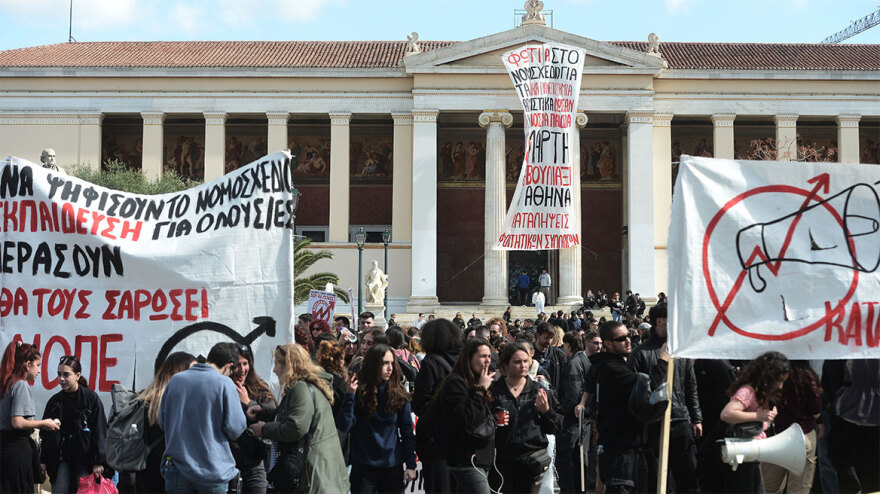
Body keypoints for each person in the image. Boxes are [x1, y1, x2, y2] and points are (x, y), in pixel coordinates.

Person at [250, 344, 349, 493]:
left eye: (277, 364)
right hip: (321, 473)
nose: (275, 370)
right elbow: (294, 415)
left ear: (289, 366)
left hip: (314, 475)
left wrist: (264, 429)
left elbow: (296, 427)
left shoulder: (301, 388)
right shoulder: (308, 385)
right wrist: (263, 412)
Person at [627, 304, 702, 494]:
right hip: (654, 426)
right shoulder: (640, 353)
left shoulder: (681, 351)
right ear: (659, 321)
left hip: (680, 421)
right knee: (657, 479)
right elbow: (638, 393)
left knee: (688, 477)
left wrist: (696, 418)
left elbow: (690, 386)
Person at [159, 342, 247, 494]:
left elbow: (162, 422)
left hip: (177, 470)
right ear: (228, 366)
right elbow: (236, 428)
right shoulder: (224, 383)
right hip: (213, 472)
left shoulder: (176, 380)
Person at [576, 321, 647, 493]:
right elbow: (646, 392)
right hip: (619, 445)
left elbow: (591, 383)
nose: (628, 341)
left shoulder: (609, 364)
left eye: (629, 336)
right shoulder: (612, 369)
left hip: (622, 443)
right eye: (622, 338)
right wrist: (664, 361)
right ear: (608, 343)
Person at [339, 344, 417, 493]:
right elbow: (344, 425)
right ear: (374, 364)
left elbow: (407, 432)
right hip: (363, 466)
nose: (389, 368)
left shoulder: (398, 394)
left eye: (391, 363)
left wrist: (411, 465)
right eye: (384, 363)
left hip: (392, 466)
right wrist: (349, 396)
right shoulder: (358, 391)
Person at [489, 342, 560, 494]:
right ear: (505, 364)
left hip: (532, 460)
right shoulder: (493, 392)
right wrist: (492, 420)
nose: (523, 365)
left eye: (525, 361)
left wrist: (546, 411)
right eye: (517, 362)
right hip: (502, 462)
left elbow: (554, 426)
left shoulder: (538, 390)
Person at [718, 351, 791, 493]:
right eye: (779, 380)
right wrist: (759, 416)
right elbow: (727, 414)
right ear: (768, 376)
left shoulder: (760, 392)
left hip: (750, 455)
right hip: (742, 456)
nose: (781, 386)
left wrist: (767, 419)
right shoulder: (747, 392)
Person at [128, 351, 196, 494]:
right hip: (170, 469)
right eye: (192, 371)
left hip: (145, 469)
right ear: (180, 373)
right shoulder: (177, 400)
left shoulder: (144, 398)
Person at [435, 338, 497, 493]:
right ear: (469, 357)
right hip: (464, 458)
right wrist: (479, 391)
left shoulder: (484, 381)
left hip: (483, 457)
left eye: (489, 356)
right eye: (482, 356)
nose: (487, 361)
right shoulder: (456, 383)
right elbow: (465, 419)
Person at [40, 355, 108, 494]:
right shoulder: (54, 402)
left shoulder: (91, 399)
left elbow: (100, 431)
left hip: (85, 459)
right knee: (60, 489)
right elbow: (45, 434)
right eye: (59, 374)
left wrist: (98, 461)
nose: (61, 379)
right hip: (61, 459)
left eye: (66, 374)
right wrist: (43, 460)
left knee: (83, 490)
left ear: (77, 375)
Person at [0, 341, 60, 494]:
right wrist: (44, 423)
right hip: (16, 452)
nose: (39, 370)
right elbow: (17, 422)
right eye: (38, 365)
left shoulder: (5, 385)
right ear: (28, 365)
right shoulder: (20, 385)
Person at [412, 319, 462, 493]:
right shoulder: (463, 360)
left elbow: (420, 402)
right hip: (460, 439)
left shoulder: (430, 363)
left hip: (436, 440)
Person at [761, 361, 821, 494]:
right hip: (802, 435)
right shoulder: (806, 376)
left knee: (769, 488)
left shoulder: (768, 374)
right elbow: (816, 411)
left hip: (774, 437)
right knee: (799, 489)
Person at [822, 358, 880, 493]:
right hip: (872, 416)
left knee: (843, 460)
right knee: (874, 469)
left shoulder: (844, 347)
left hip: (846, 412)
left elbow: (830, 379)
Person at [230, 345, 277, 494]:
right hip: (228, 464)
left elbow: (271, 418)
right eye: (237, 365)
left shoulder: (260, 389)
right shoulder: (221, 389)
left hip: (255, 463)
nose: (242, 369)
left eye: (245, 364)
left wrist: (248, 403)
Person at [557, 331, 592, 493]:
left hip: (574, 420)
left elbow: (572, 393)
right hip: (583, 418)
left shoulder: (575, 363)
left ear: (568, 345)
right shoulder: (584, 360)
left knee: (570, 458)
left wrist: (561, 410)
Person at [534, 322, 569, 391]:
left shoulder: (559, 355)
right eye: (546, 338)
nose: (549, 341)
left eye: (551, 338)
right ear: (538, 335)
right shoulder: (527, 354)